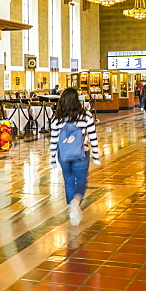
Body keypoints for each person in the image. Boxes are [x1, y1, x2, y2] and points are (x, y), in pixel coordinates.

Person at [48, 88, 101, 226]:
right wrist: (96, 155)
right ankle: (75, 202)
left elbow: (54, 140)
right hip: (81, 153)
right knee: (81, 180)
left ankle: (71, 208)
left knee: (68, 180)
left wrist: (52, 158)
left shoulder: (56, 118)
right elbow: (93, 136)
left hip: (63, 155)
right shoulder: (86, 116)